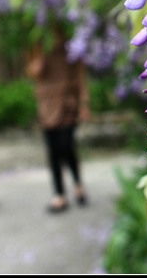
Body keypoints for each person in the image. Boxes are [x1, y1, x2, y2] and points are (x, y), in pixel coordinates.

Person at [26, 23, 90, 213]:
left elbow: (80, 76)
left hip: (67, 103)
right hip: (46, 105)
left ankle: (78, 184)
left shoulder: (71, 45)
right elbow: (34, 72)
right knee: (53, 151)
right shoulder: (36, 44)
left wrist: (84, 104)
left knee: (67, 146)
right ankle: (59, 194)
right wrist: (38, 61)